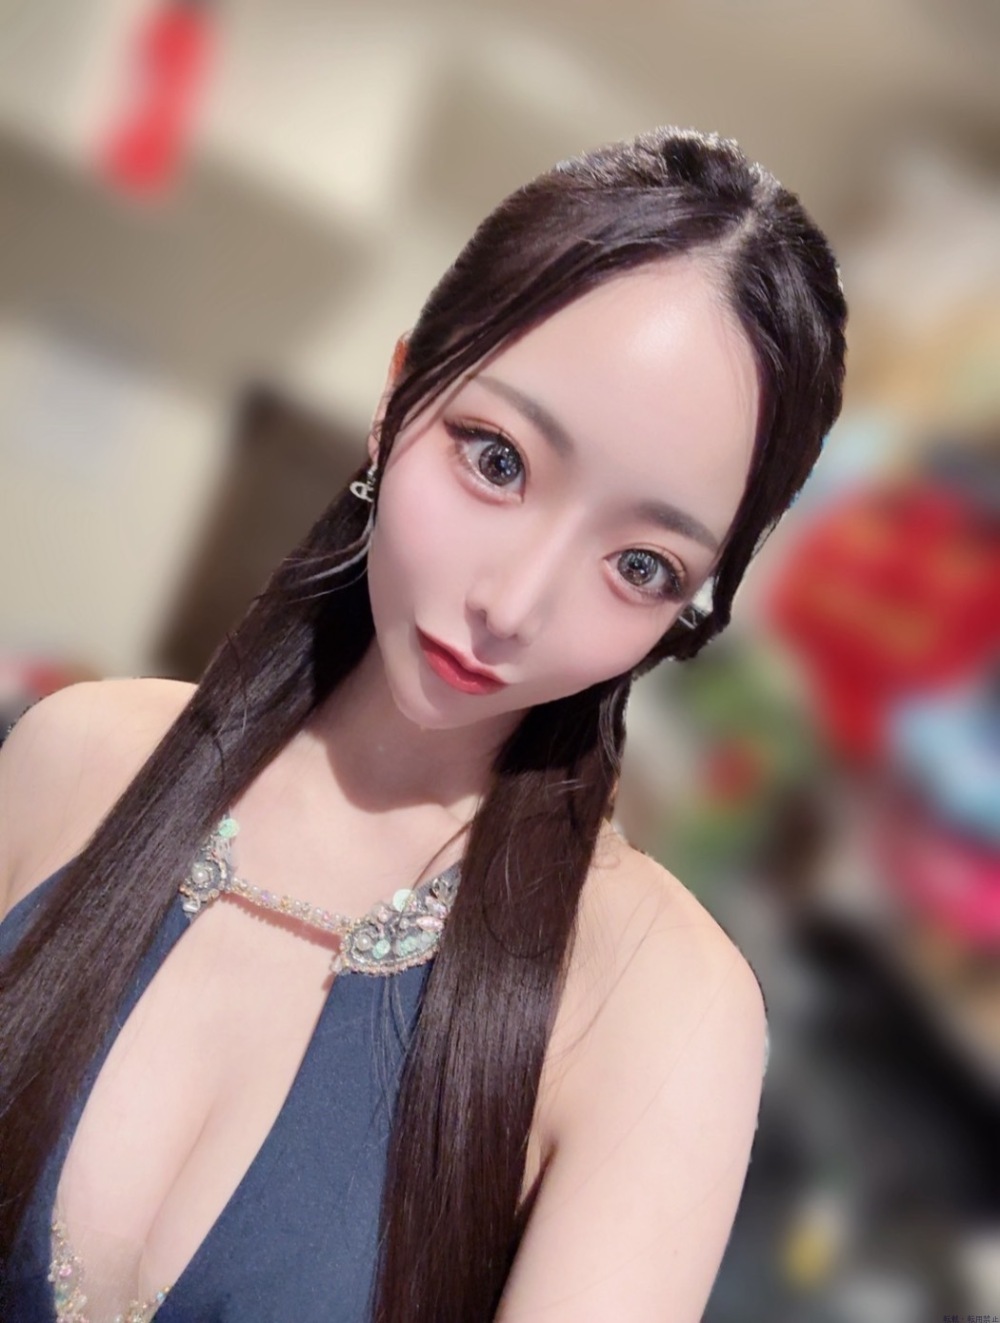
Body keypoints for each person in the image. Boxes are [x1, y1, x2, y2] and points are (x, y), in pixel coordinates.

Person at [0, 125, 847, 1322]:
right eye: (497, 460)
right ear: (399, 391)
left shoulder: (658, 1007)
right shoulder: (73, 759)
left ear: (694, 603)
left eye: (641, 566)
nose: (514, 604)